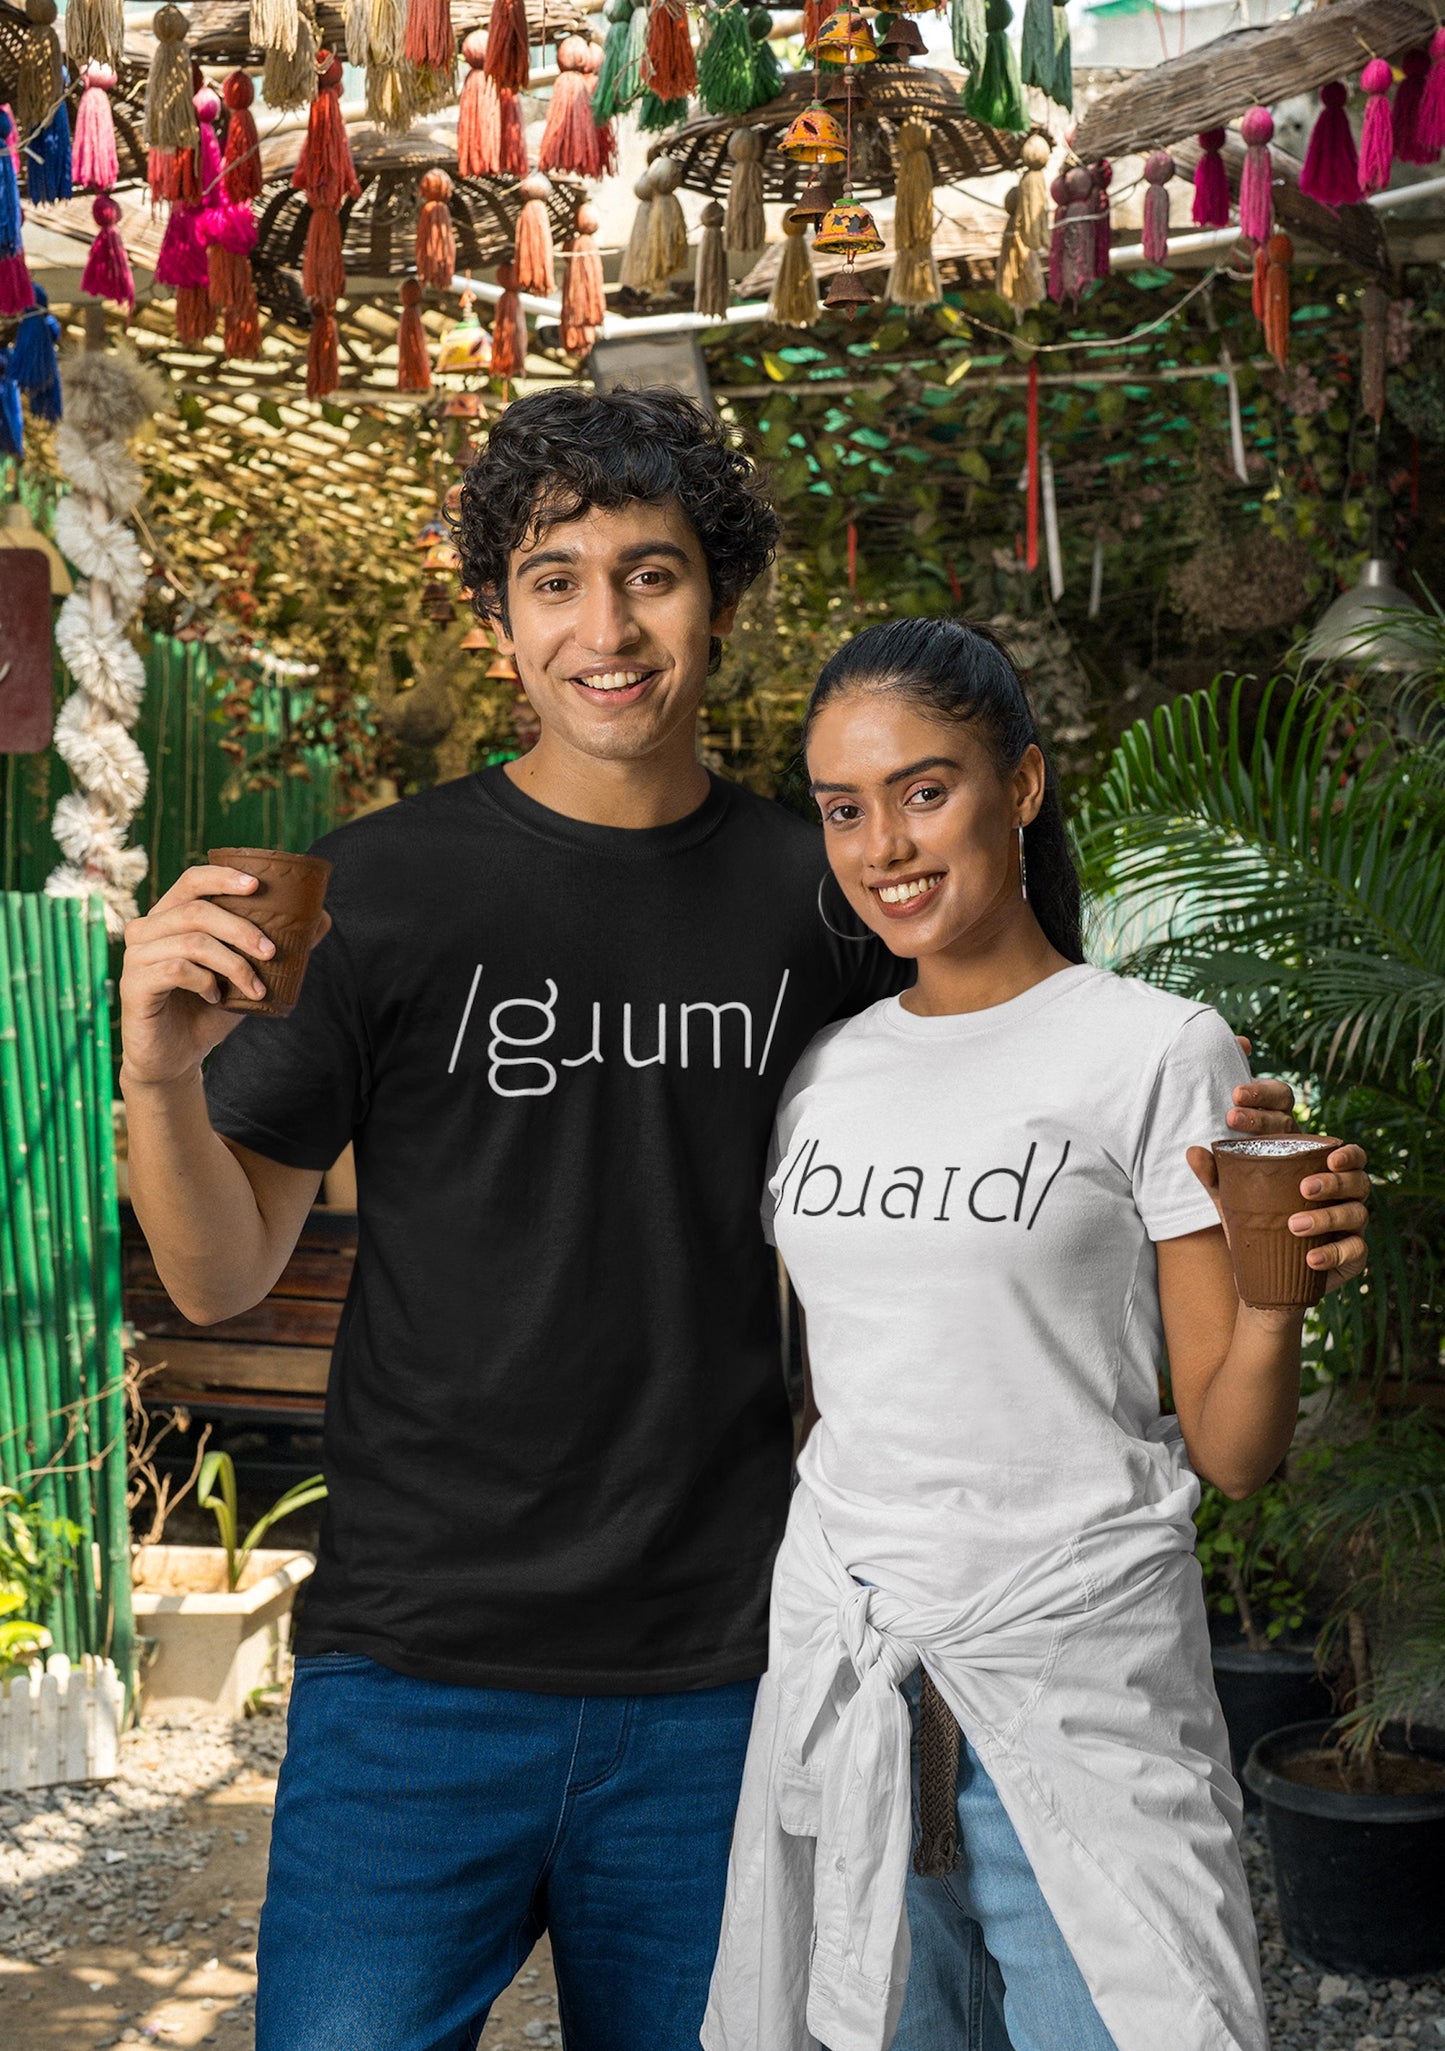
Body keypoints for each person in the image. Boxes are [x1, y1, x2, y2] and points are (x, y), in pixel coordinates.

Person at [117, 393, 1358, 2051]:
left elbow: (1012, 1105)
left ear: (719, 599)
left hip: (731, 1668)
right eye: (554, 581)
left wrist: (1248, 1209)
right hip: (414, 1668)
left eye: (653, 574)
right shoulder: (385, 888)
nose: (607, 627)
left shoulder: (822, 897)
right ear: (497, 621)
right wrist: (156, 1074)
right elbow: (216, 1272)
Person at [704, 618, 1370, 2051]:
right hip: (854, 1673)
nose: (882, 842)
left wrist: (1274, 1297)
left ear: (1020, 787)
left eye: (924, 789)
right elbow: (840, 1388)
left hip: (1070, 1672)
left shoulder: (1151, 1048)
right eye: (843, 807)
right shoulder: (822, 1069)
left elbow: (1235, 1452)